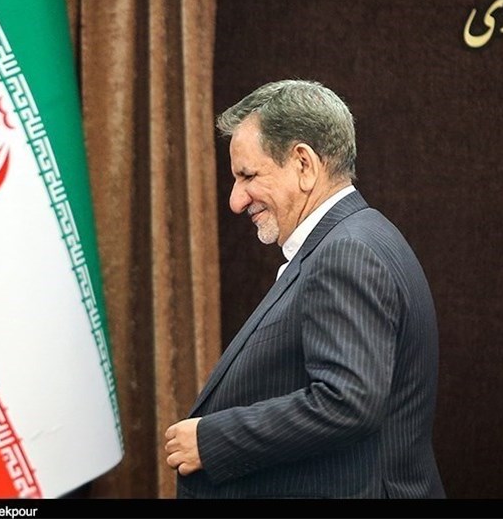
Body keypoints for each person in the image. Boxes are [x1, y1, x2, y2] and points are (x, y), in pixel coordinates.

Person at [164, 79, 445, 499]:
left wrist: (213, 440)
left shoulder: (346, 252)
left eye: (248, 176)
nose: (236, 201)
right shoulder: (359, 236)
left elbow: (347, 402)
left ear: (303, 165)